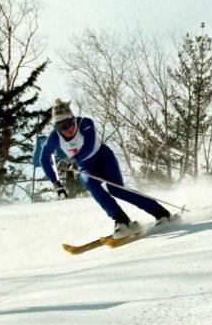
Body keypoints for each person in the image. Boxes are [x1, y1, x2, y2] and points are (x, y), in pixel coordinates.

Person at [39, 99, 172, 237]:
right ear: (56, 128)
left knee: (117, 190)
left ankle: (160, 212)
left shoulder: (85, 123)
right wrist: (56, 183)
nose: (67, 130)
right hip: (86, 166)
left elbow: (89, 146)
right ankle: (121, 220)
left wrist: (73, 159)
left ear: (73, 119)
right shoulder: (54, 137)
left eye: (68, 124)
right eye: (61, 127)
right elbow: (43, 159)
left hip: (103, 158)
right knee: (89, 183)